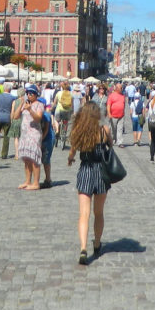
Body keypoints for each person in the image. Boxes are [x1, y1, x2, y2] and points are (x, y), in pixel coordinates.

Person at [67, 101, 112, 264]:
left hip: (85, 171)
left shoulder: (79, 131)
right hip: (101, 173)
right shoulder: (104, 130)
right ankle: (98, 243)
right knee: (98, 213)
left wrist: (70, 158)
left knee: (83, 214)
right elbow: (110, 146)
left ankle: (83, 248)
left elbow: (72, 151)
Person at [14, 84, 45, 190]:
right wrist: (21, 104)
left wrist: (30, 110)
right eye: (27, 93)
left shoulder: (39, 105)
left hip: (34, 135)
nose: (29, 95)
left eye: (31, 93)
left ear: (36, 94)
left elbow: (38, 118)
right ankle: (27, 181)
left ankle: (36, 183)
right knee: (26, 158)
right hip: (25, 134)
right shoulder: (26, 104)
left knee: (34, 158)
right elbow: (15, 116)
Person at [0, 82, 15, 159]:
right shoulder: (13, 98)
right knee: (6, 136)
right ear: (10, 89)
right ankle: (4, 154)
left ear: (4, 89)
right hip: (7, 118)